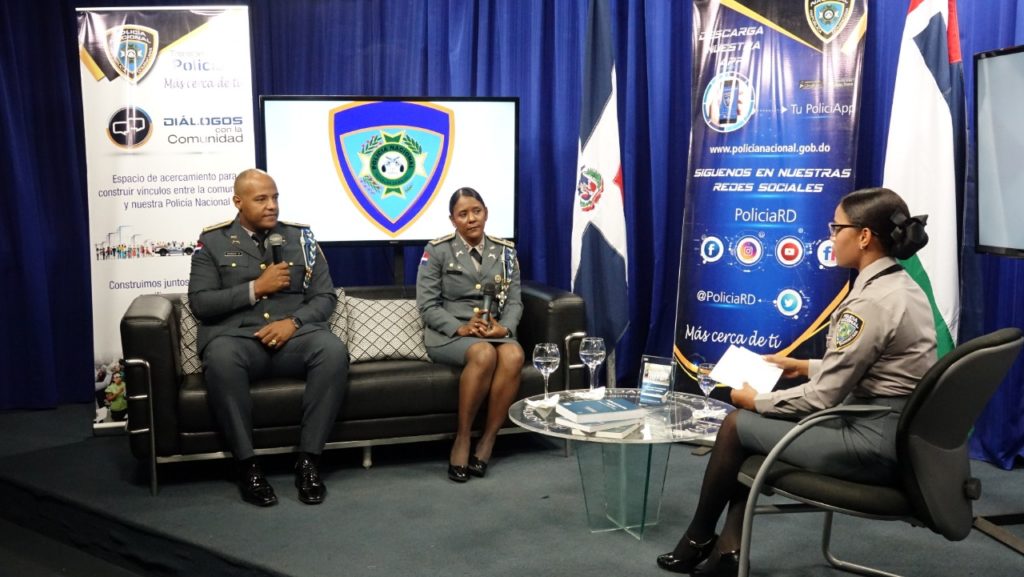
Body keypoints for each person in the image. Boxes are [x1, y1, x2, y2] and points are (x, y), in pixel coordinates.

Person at [656, 187, 935, 576]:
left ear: (864, 237)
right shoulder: (898, 285)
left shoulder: (871, 302)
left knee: (737, 426)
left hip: (870, 443)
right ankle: (727, 550)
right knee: (753, 430)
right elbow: (878, 366)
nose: (830, 237)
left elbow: (823, 398)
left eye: (836, 228)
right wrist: (804, 366)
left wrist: (753, 401)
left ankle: (699, 537)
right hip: (890, 430)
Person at [188, 168, 348, 507]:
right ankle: (247, 465)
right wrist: (256, 288)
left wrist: (294, 321)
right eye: (261, 199)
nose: (272, 205)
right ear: (238, 202)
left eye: (275, 197)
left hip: (294, 337)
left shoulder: (301, 238)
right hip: (239, 339)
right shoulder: (213, 241)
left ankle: (309, 461)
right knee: (220, 358)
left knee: (332, 351)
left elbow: (325, 297)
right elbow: (201, 303)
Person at [416, 187, 524, 482]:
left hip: (492, 330)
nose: (471, 218)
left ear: (485, 213)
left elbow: (514, 301)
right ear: (453, 220)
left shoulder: (505, 252)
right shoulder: (437, 250)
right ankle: (462, 438)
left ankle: (488, 439)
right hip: (451, 334)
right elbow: (427, 305)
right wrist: (460, 327)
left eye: (476, 211)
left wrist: (505, 328)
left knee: (514, 354)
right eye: (462, 214)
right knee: (483, 353)